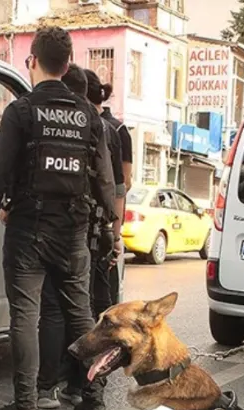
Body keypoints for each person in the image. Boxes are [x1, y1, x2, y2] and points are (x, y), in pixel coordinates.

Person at [0, 26, 117, 410]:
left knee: (25, 317)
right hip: (74, 232)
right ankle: (94, 401)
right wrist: (111, 227)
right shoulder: (88, 113)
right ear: (68, 64)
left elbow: (0, 170)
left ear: (31, 61)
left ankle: (26, 408)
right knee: (80, 314)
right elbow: (104, 178)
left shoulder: (21, 110)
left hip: (28, 230)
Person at [36, 65, 123, 410]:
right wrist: (114, 231)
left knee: (59, 311)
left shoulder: (66, 123)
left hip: (71, 230)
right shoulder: (106, 128)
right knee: (86, 313)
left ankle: (49, 387)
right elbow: (114, 185)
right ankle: (87, 391)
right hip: (92, 232)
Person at [98, 83, 134, 305]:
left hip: (106, 222)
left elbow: (124, 183)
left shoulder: (117, 130)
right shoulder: (115, 128)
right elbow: (125, 184)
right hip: (109, 222)